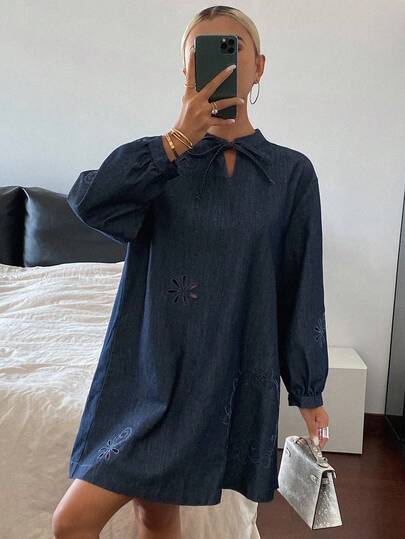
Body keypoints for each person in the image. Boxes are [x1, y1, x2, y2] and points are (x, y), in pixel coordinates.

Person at [52, 5, 330, 539]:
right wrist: (174, 142)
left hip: (224, 372)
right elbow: (89, 203)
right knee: (72, 523)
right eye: (204, 53)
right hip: (148, 373)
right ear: (186, 70)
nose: (221, 64)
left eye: (234, 49)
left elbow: (300, 286)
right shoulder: (158, 163)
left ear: (259, 66)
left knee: (155, 515)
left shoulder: (291, 173)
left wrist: (309, 391)